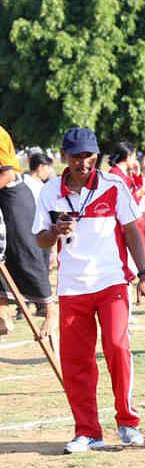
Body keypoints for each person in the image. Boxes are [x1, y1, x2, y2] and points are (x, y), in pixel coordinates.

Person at [32, 127, 145, 453]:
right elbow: (39, 238)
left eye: (88, 155)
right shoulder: (49, 192)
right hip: (72, 288)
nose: (82, 162)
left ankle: (128, 421)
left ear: (96, 155)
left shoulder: (114, 185)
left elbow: (131, 230)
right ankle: (88, 431)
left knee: (117, 346)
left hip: (111, 282)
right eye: (75, 156)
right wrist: (55, 231)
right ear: (64, 157)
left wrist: (143, 274)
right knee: (76, 361)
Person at [0, 128, 56, 334]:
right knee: (1, 254)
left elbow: (8, 174)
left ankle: (50, 312)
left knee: (25, 253)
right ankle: (3, 310)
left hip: (13, 197)